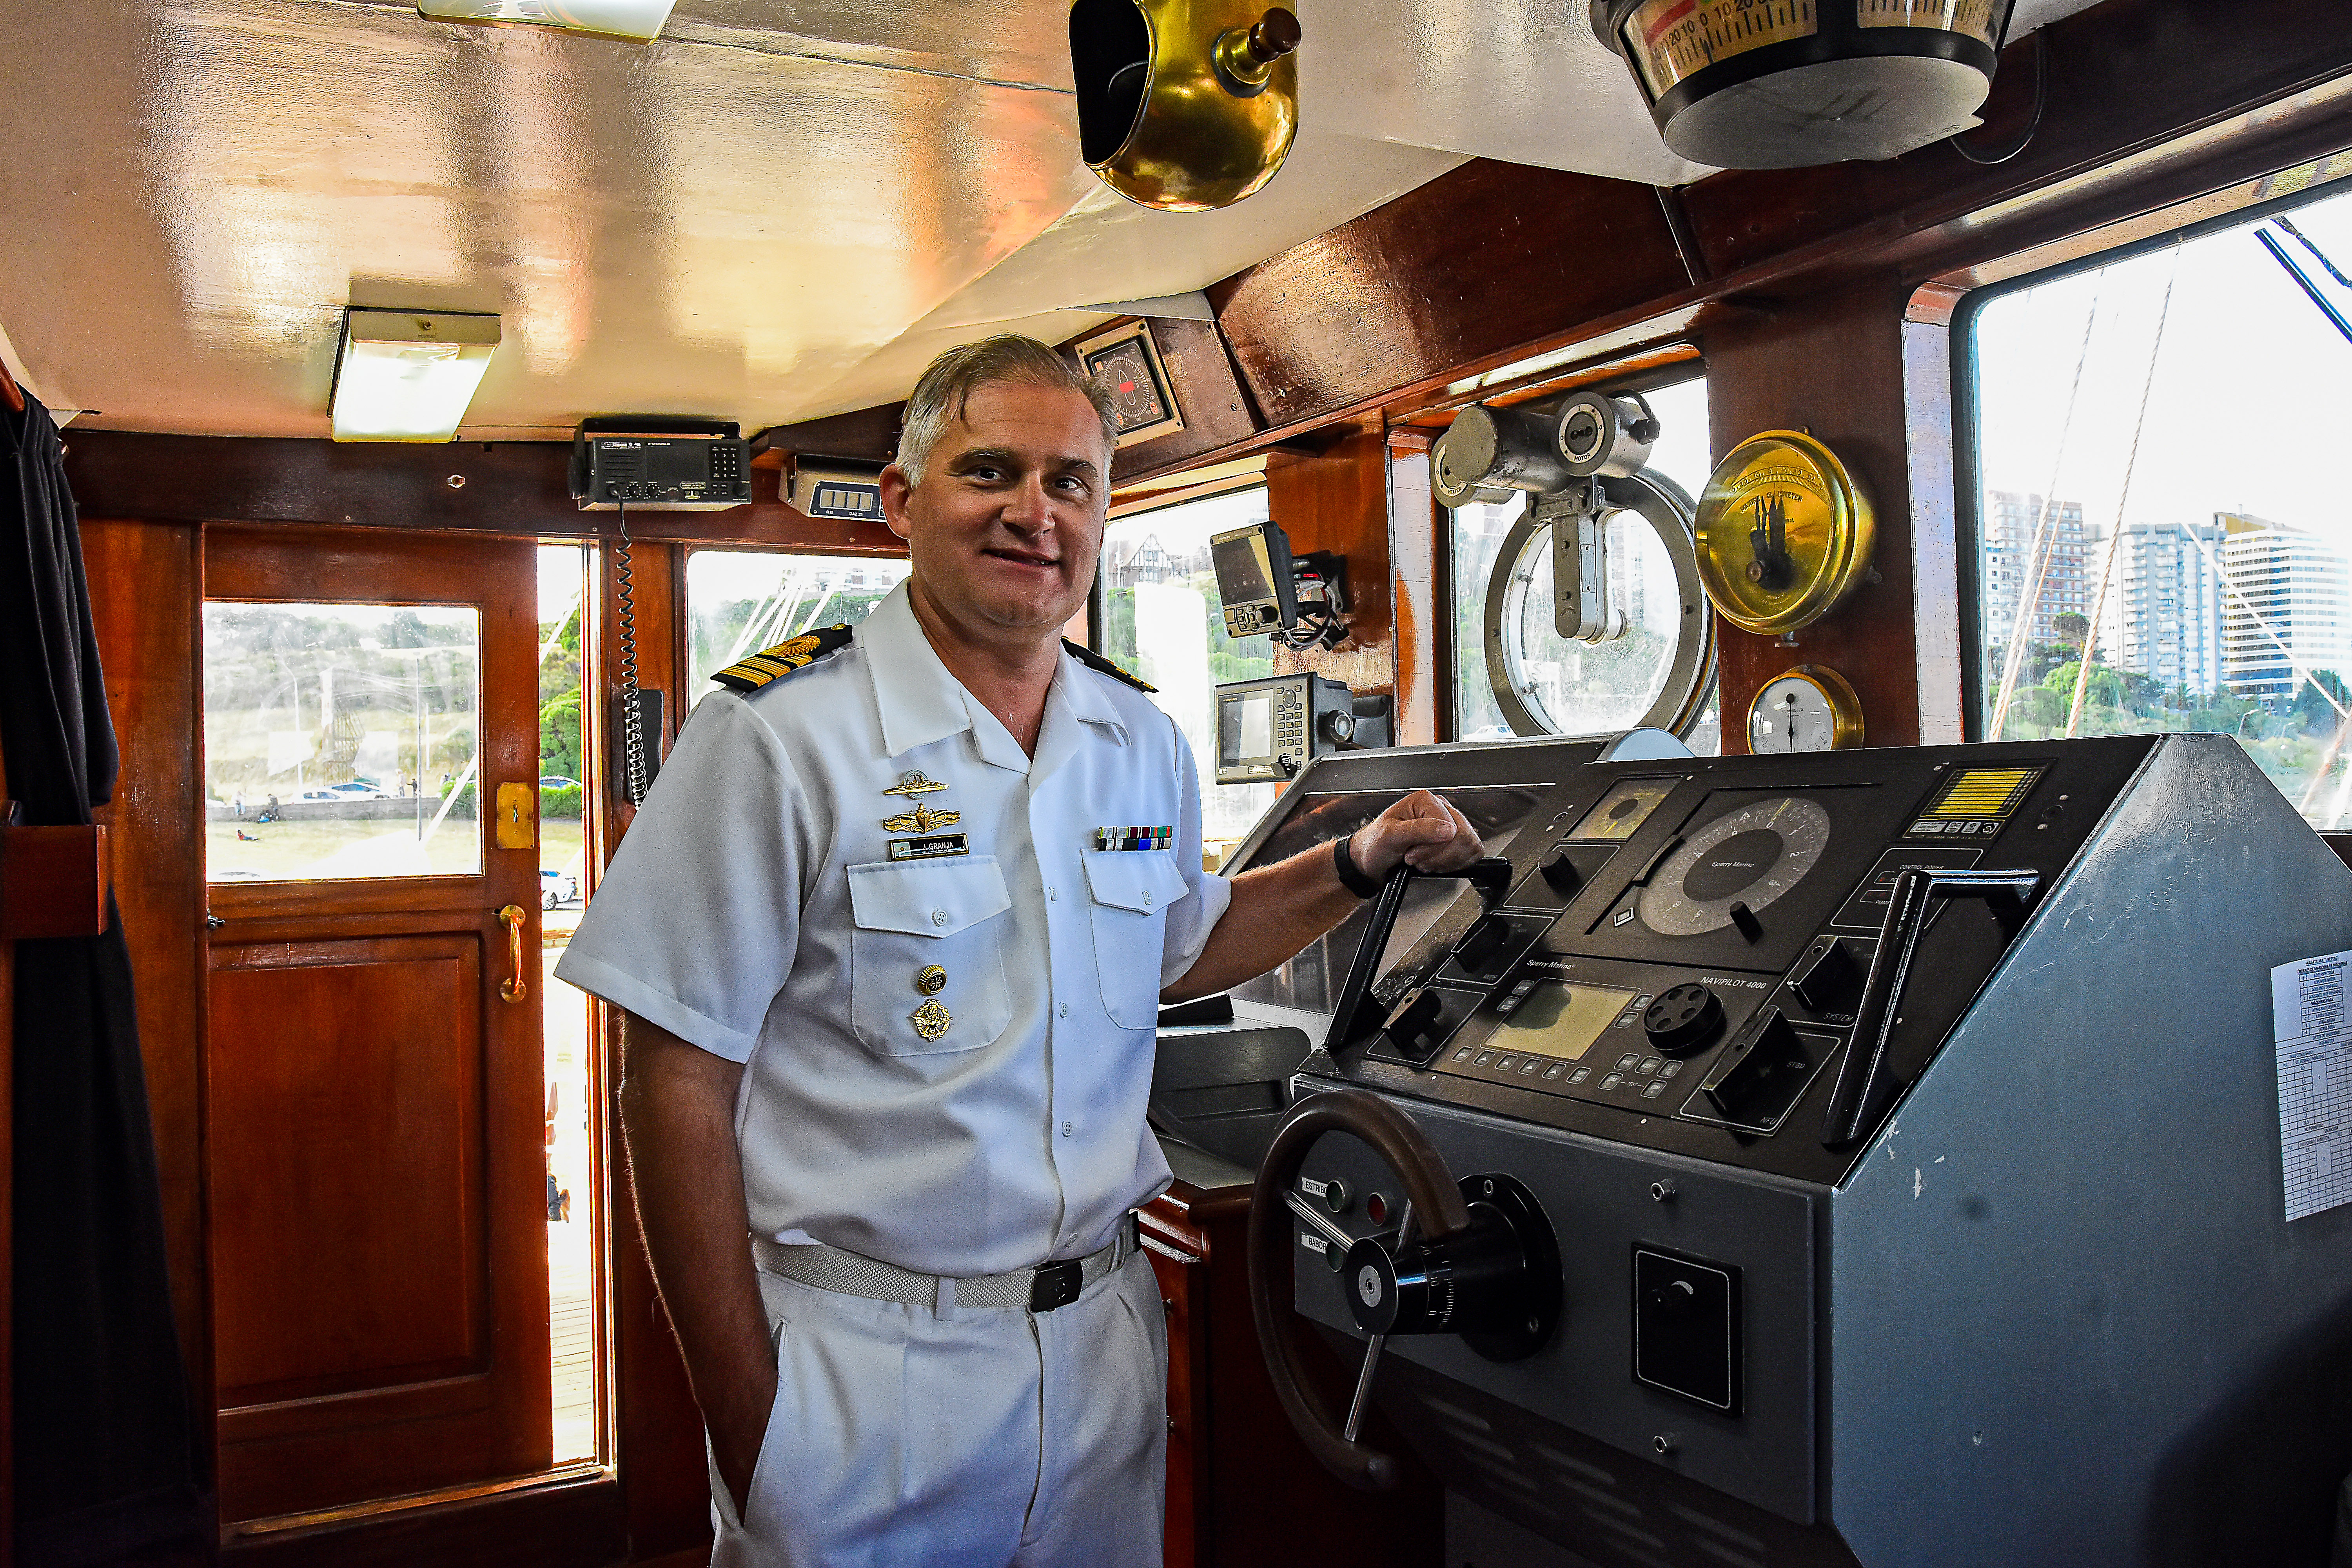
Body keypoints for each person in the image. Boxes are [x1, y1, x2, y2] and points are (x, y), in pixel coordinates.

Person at [554, 335, 1483, 1568]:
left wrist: (1356, 863)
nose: (1032, 513)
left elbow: (1171, 946)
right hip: (861, 1362)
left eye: (1071, 482)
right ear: (902, 500)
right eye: (989, 471)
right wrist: (751, 1422)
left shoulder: (1133, 734)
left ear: (1103, 511)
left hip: (1099, 1345)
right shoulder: (776, 738)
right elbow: (672, 1078)